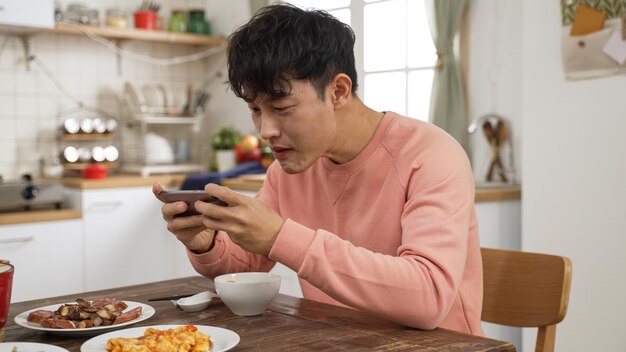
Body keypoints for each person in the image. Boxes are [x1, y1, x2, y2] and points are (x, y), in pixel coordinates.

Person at [153, 4, 483, 335]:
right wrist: (206, 243)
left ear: (338, 91)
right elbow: (246, 262)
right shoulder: (289, 169)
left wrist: (281, 236)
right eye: (255, 109)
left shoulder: (431, 155)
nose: (265, 130)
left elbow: (429, 299)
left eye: (282, 107)